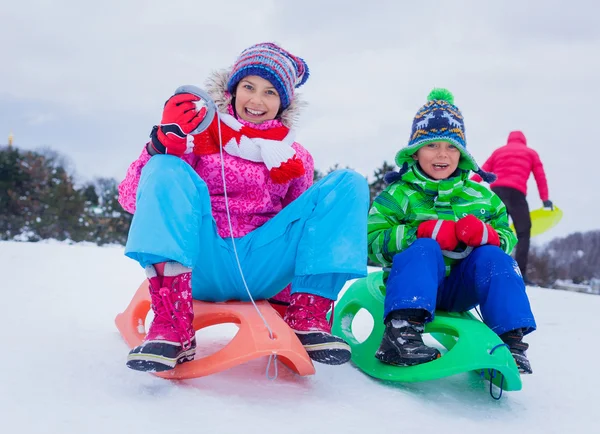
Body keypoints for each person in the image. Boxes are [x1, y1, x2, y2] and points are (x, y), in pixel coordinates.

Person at [118, 42, 369, 372]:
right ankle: (172, 326)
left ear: (283, 103)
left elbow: (306, 230)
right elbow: (131, 199)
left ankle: (307, 314)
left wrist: (283, 299)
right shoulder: (197, 138)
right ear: (232, 90)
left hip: (261, 266)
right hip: (201, 258)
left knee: (348, 184)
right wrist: (160, 147)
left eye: (269, 92)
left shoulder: (294, 157)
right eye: (248, 87)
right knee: (165, 166)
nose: (256, 100)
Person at [367, 89, 536, 374]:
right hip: (410, 288)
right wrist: (419, 233)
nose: (443, 154)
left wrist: (489, 236)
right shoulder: (399, 194)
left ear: (462, 153)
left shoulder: (482, 197)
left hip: (461, 288)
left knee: (494, 258)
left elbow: (508, 238)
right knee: (425, 248)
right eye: (432, 146)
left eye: (452, 146)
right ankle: (401, 333)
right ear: (415, 150)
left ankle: (509, 341)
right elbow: (371, 241)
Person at [471, 131, 552, 285]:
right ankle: (520, 272)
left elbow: (483, 170)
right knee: (523, 233)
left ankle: (488, 268)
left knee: (494, 230)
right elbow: (540, 176)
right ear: (524, 141)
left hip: (497, 194)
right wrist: (545, 198)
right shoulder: (530, 153)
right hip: (516, 194)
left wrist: (469, 185)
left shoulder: (499, 151)